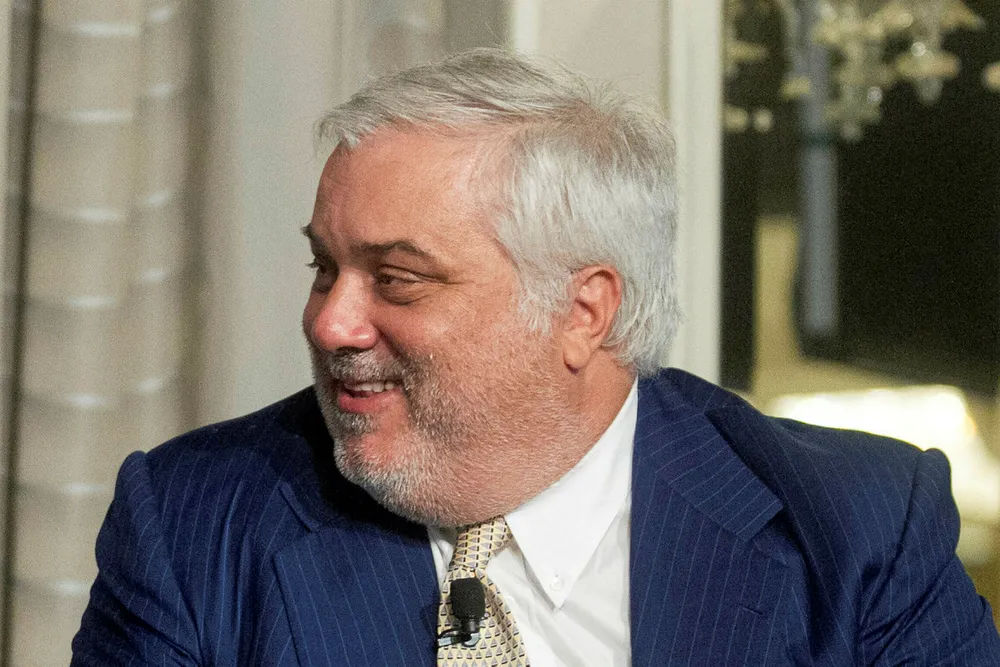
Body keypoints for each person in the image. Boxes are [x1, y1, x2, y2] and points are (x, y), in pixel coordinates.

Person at [72, 48, 999, 666]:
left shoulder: (856, 532)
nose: (330, 323)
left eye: (397, 279)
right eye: (326, 267)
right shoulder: (192, 523)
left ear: (583, 311)